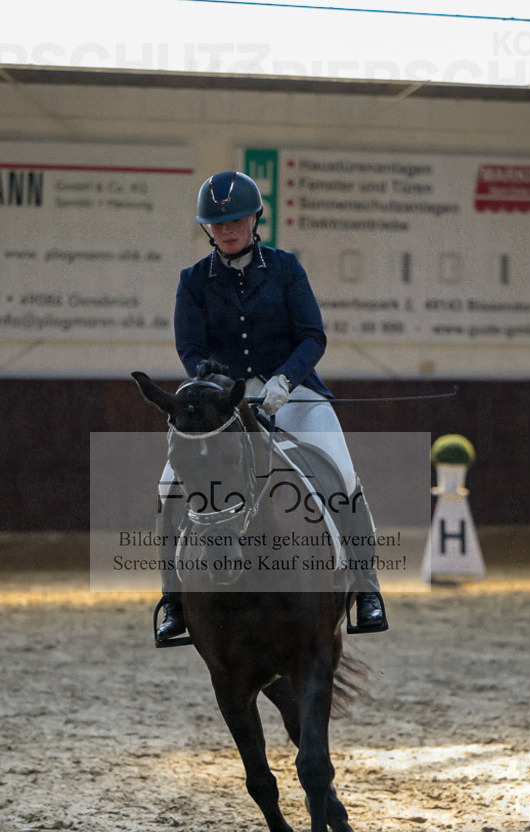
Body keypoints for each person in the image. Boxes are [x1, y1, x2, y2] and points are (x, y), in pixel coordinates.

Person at [156, 169, 388, 643]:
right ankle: (173, 602)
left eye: (236, 220)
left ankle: (366, 588)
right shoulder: (194, 281)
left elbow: (313, 336)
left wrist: (284, 379)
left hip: (293, 391)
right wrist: (220, 386)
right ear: (207, 229)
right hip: (228, 403)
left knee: (342, 474)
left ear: (255, 218)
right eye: (218, 224)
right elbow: (191, 350)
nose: (227, 230)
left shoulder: (285, 268)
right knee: (167, 488)